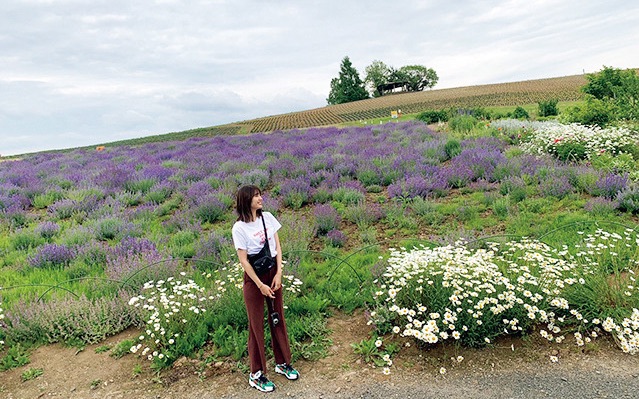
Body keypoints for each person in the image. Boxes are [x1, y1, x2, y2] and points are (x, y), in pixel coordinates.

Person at [231, 185, 300, 393]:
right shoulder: (239, 228)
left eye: (260, 195)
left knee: (277, 317)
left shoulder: (267, 217)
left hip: (273, 273)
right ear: (246, 201)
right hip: (254, 280)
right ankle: (257, 373)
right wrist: (259, 285)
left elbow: (278, 248)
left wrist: (279, 273)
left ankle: (282, 362)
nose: (260, 198)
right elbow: (243, 261)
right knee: (256, 325)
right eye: (256, 196)